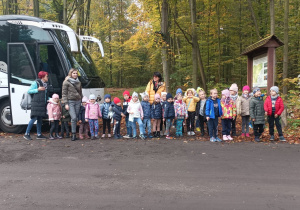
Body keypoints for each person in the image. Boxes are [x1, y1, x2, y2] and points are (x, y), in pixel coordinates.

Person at [24, 71, 49, 140]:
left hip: (41, 104)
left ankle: (39, 134)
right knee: (33, 118)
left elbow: (45, 95)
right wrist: (37, 89)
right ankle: (26, 133)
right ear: (43, 77)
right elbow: (29, 91)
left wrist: (50, 99)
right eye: (47, 76)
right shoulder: (36, 83)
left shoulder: (45, 84)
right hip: (36, 104)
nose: (48, 77)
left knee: (40, 119)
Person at [62, 68, 82, 141]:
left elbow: (80, 92)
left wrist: (81, 100)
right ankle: (73, 134)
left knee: (75, 118)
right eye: (74, 73)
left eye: (76, 73)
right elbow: (64, 94)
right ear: (71, 74)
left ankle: (74, 134)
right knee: (73, 117)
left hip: (78, 101)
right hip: (70, 101)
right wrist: (66, 103)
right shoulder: (66, 82)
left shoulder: (79, 82)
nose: (75, 74)